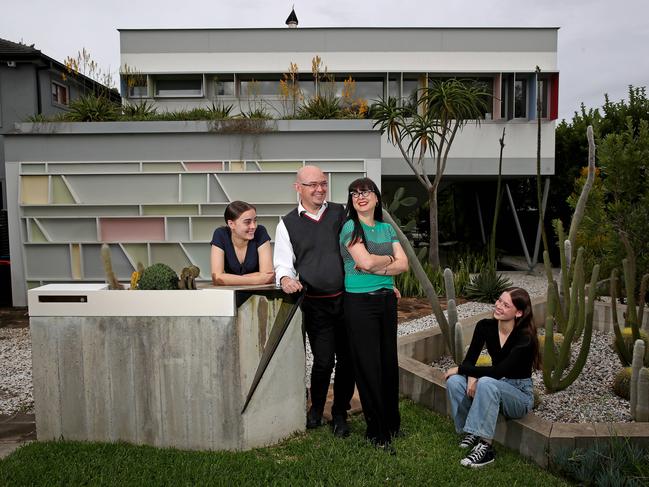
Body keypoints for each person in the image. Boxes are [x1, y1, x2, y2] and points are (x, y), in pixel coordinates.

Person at [274, 165, 355, 437]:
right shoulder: (287, 223)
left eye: (323, 183)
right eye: (312, 185)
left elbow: (361, 250)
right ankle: (316, 408)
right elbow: (283, 265)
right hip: (316, 304)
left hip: (348, 301)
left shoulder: (342, 213)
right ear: (298, 188)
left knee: (348, 360)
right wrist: (285, 280)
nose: (320, 189)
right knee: (322, 361)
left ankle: (340, 412)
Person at [339, 177, 408, 450]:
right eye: (355, 193)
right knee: (368, 367)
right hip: (359, 304)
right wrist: (386, 261)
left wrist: (379, 265)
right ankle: (376, 432)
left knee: (388, 364)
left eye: (366, 191)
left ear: (377, 197)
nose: (360, 196)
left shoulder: (386, 228)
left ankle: (392, 425)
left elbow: (403, 265)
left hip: (387, 301)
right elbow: (363, 261)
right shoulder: (349, 226)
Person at [444, 287, 540, 468]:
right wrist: (470, 375)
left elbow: (499, 371)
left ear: (518, 312)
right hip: (495, 384)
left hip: (518, 394)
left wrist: (462, 369)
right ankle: (472, 432)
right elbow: (471, 359)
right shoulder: (485, 326)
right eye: (499, 300)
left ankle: (486, 448)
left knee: (485, 381)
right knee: (455, 382)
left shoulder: (525, 338)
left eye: (506, 305)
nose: (498, 306)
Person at [210, 201, 274, 286]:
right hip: (231, 294)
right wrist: (257, 280)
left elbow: (268, 275)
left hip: (260, 293)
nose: (253, 226)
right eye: (247, 222)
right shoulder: (220, 234)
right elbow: (217, 278)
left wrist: (230, 279)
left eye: (255, 221)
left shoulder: (260, 232)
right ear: (231, 224)